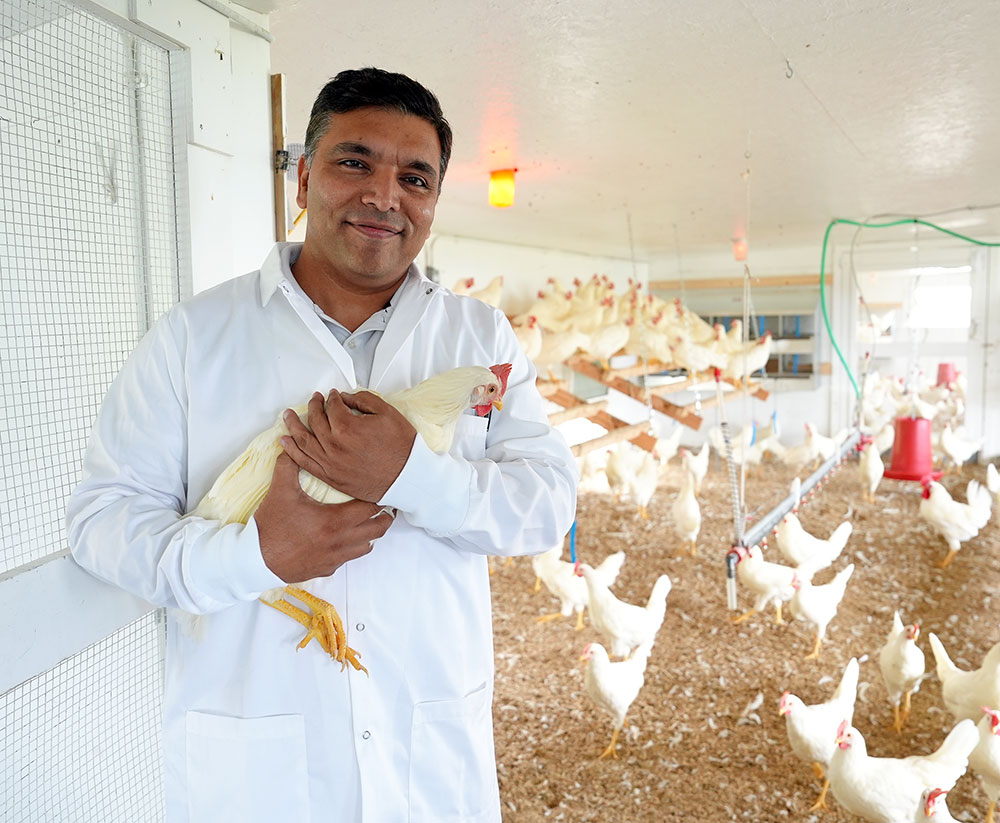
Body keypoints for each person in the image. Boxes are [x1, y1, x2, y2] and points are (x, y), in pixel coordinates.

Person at [67, 67, 577, 823]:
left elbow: (547, 505)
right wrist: (255, 556)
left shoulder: (480, 337)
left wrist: (412, 474)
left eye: (415, 177)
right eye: (354, 162)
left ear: (434, 201)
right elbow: (101, 524)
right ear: (304, 178)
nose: (384, 195)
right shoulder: (192, 338)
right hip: (257, 774)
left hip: (427, 760)